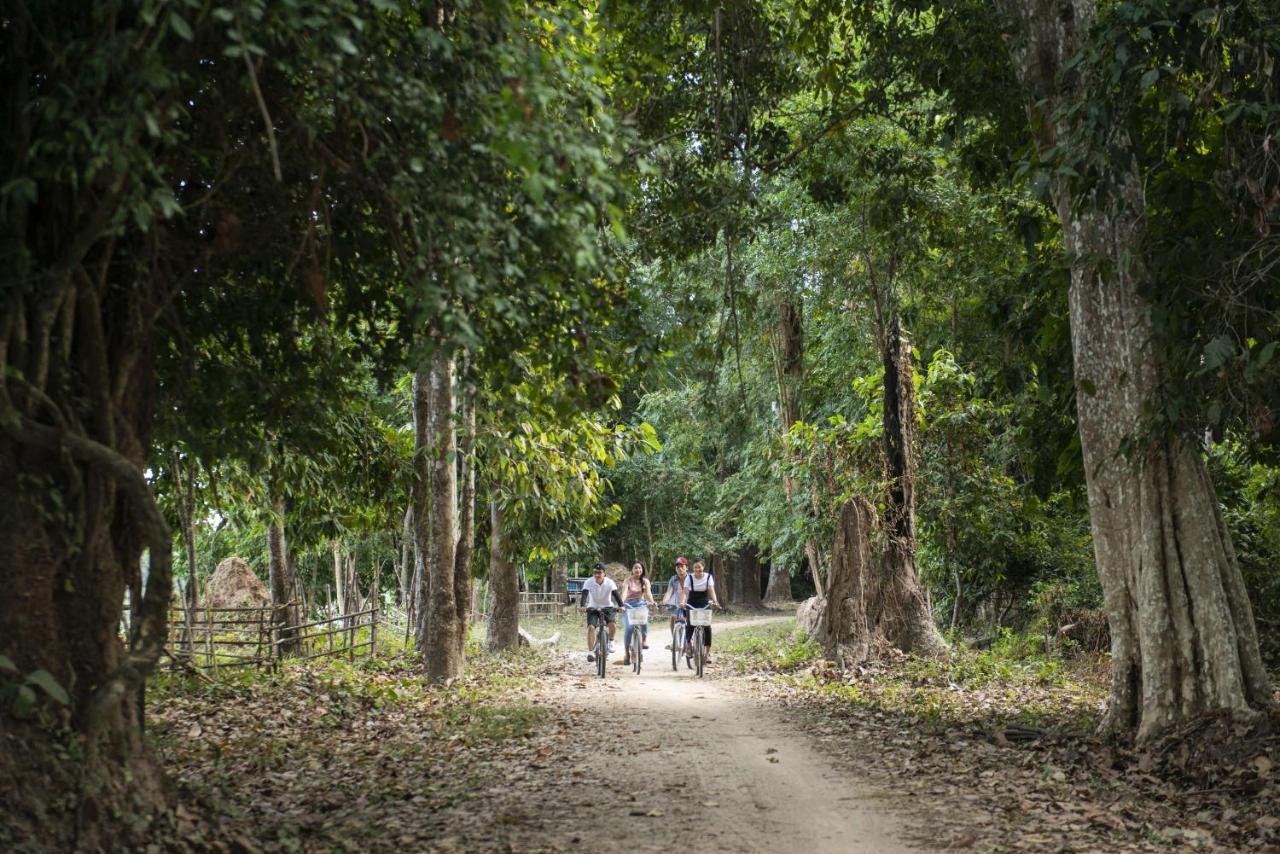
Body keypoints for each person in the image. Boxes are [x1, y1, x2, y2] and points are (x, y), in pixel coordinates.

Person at [678, 559, 721, 663]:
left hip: (704, 603)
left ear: (703, 567)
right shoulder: (689, 577)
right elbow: (685, 591)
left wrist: (715, 601)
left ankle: (707, 653)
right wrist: (682, 602)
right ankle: (689, 645)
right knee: (690, 625)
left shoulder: (709, 577)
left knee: (707, 627)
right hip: (691, 603)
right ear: (693, 569)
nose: (698, 569)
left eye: (699, 567)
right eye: (695, 567)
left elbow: (711, 590)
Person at [579, 562, 622, 662]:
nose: (597, 575)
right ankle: (590, 651)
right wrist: (582, 606)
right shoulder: (588, 582)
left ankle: (611, 641)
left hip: (608, 607)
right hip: (593, 608)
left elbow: (616, 595)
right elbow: (584, 595)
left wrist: (621, 606)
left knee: (612, 624)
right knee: (591, 628)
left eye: (599, 573)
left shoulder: (610, 582)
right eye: (595, 573)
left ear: (604, 574)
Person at [617, 561, 656, 665]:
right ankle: (626, 653)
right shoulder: (627, 581)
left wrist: (652, 602)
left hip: (640, 604)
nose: (637, 570)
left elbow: (648, 593)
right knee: (628, 628)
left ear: (642, 570)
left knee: (644, 621)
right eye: (635, 568)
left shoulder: (645, 581)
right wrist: (621, 604)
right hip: (628, 605)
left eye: (639, 568)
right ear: (632, 570)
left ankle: (643, 641)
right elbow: (624, 593)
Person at [663, 556, 690, 648]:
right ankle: (675, 640)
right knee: (673, 618)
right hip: (678, 604)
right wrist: (665, 601)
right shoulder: (673, 579)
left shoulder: (691, 578)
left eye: (682, 566)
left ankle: (691, 641)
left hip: (690, 603)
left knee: (690, 622)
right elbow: (669, 591)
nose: (680, 568)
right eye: (678, 567)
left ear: (686, 567)